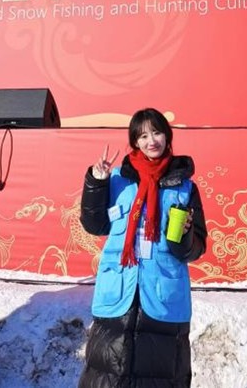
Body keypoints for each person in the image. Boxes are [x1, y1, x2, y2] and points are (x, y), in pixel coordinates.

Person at [78, 107, 208, 388]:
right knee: (108, 375)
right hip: (119, 291)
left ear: (167, 136)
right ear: (135, 142)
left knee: (159, 378)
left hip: (162, 297)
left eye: (157, 133)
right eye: (143, 136)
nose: (151, 141)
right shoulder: (116, 179)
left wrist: (184, 236)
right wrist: (96, 183)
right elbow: (94, 224)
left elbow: (196, 248)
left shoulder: (185, 187)